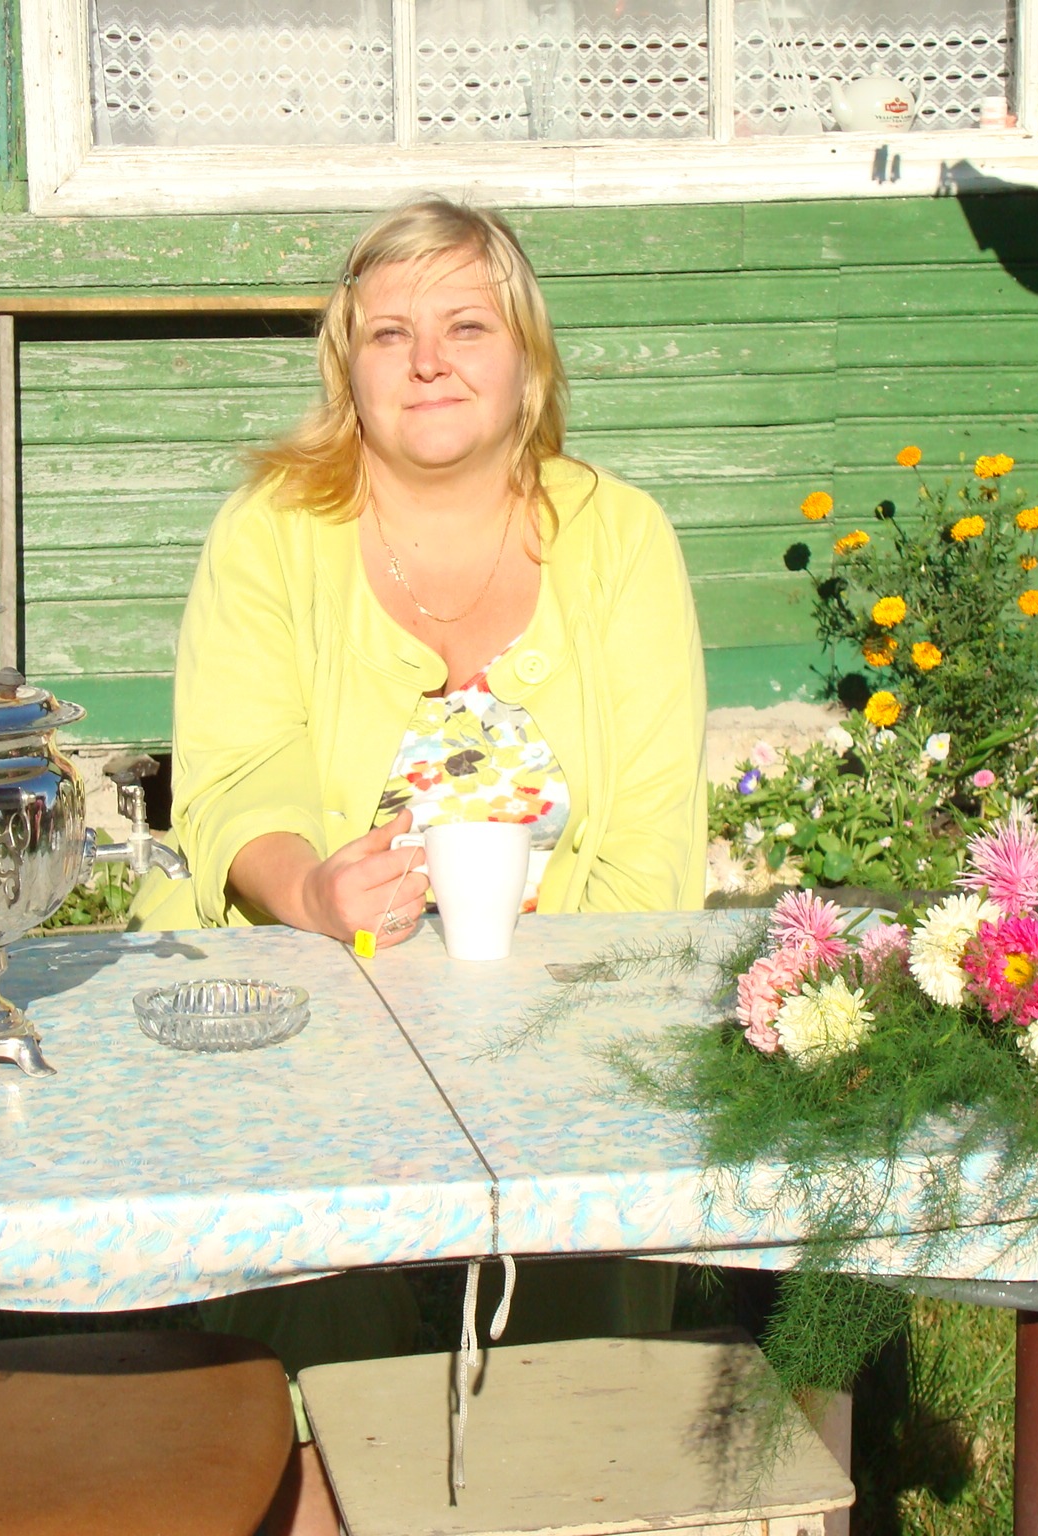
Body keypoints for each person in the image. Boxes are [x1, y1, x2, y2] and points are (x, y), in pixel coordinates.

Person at [130, 197, 705, 1371]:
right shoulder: (270, 530)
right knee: (311, 1304)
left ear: (525, 360)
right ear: (349, 369)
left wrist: (534, 1027)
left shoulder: (621, 536)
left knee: (584, 1308)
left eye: (466, 328)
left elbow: (652, 841)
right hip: (310, 997)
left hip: (568, 1008)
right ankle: (298, 1435)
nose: (428, 362)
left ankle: (578, 1427)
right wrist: (310, 894)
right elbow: (236, 778)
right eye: (390, 334)